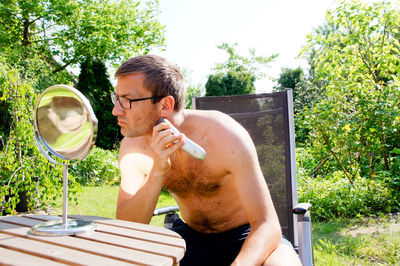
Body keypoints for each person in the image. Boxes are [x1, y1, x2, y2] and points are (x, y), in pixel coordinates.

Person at [112, 54, 301, 265]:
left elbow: (267, 225)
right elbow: (128, 227)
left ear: (165, 105)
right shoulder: (132, 149)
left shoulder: (223, 135)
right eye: (116, 99)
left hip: (248, 236)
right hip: (191, 239)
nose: (115, 110)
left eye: (127, 101)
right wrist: (157, 170)